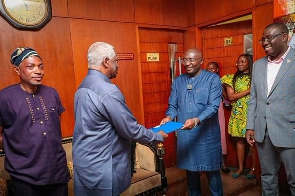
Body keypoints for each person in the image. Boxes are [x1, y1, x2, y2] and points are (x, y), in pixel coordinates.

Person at [72, 42, 168, 195]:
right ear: (106, 62)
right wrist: (157, 136)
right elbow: (130, 129)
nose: (118, 66)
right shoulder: (107, 90)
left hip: (85, 163)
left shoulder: (83, 86)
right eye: (116, 61)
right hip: (102, 165)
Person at [0, 47, 69, 196]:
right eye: (30, 67)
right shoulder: (4, 98)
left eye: (40, 66)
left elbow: (56, 128)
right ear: (18, 70)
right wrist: (19, 152)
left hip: (57, 171)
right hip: (24, 176)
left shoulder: (52, 93)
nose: (38, 71)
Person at [161, 49, 223, 196]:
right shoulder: (178, 81)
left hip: (207, 135)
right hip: (187, 135)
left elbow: (213, 106)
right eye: (185, 60)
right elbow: (173, 105)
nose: (187, 63)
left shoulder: (212, 79)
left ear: (201, 61)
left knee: (212, 171)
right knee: (191, 171)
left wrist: (196, 120)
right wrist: (169, 117)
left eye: (192, 60)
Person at [246, 22, 295, 195]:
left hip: (290, 131)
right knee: (267, 177)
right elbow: (254, 98)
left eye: (270, 38)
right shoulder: (258, 65)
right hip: (263, 132)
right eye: (263, 39)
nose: (265, 42)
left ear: (284, 36)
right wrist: (250, 126)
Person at [221, 54, 256, 179]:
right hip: (238, 114)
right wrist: (249, 90)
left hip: (253, 114)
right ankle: (241, 168)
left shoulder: (255, 77)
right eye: (238, 61)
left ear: (249, 63)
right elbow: (231, 97)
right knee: (239, 141)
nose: (240, 64)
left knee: (252, 142)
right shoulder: (231, 78)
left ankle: (254, 169)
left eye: (243, 61)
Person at [206, 62, 230, 174]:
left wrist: (223, 88)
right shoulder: (203, 82)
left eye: (212, 68)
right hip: (205, 111)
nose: (210, 70)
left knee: (220, 135)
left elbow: (227, 98)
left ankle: (222, 163)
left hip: (218, 110)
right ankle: (210, 163)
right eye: (208, 69)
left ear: (217, 69)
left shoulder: (220, 82)